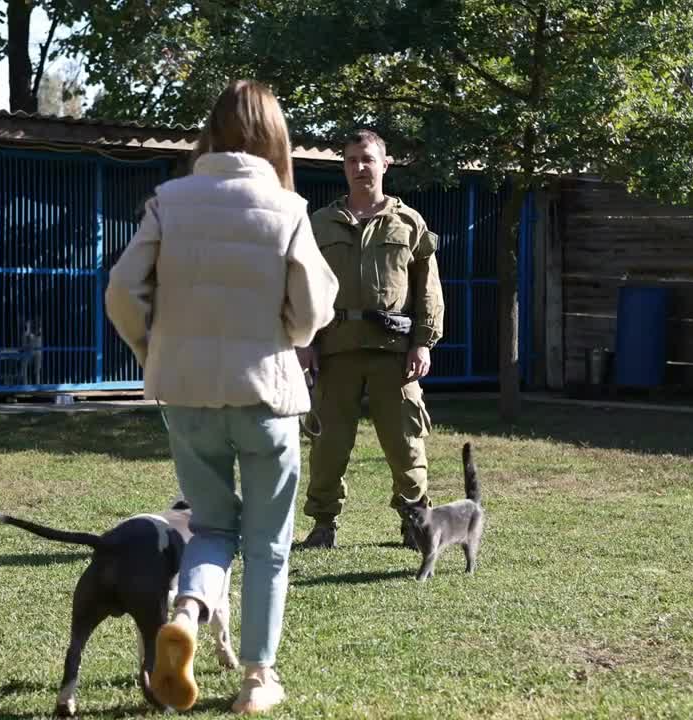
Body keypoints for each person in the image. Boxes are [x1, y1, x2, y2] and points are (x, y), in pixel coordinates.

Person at [105, 80, 338, 714]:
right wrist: (289, 333)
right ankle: (258, 678)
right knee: (267, 544)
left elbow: (123, 290)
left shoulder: (168, 200)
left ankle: (186, 610)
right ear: (274, 136)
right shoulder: (287, 208)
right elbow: (315, 309)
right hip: (264, 392)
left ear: (211, 129)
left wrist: (151, 349)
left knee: (210, 525)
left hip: (185, 395)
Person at [296, 129, 445, 550]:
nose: (360, 167)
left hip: (393, 353)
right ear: (343, 166)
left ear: (385, 164)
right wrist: (303, 340)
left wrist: (423, 342)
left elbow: (427, 288)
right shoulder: (320, 223)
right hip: (335, 350)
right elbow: (301, 285)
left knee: (405, 442)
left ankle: (415, 522)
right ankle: (323, 525)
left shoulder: (409, 222)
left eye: (367, 159)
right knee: (328, 444)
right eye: (351, 160)